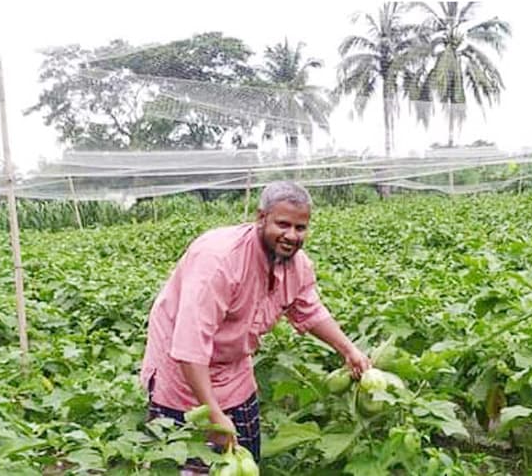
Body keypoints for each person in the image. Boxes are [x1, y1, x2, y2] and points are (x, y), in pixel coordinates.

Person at [139, 180, 371, 471]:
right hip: (183, 375)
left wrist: (348, 349)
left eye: (301, 228)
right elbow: (189, 346)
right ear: (261, 218)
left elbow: (309, 309)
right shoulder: (219, 261)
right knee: (190, 463)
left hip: (234, 370)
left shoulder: (296, 264)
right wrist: (211, 413)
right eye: (283, 224)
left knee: (245, 461)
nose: (292, 236)